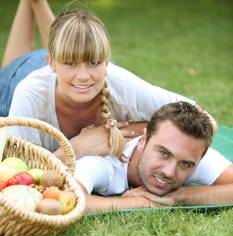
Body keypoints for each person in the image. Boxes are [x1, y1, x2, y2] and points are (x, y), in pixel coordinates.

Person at [1, 0, 217, 163]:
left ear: (107, 63)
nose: (84, 75)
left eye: (95, 62)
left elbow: (206, 121)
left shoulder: (121, 84)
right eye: (70, 63)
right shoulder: (28, 94)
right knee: (12, 71)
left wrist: (110, 132)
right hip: (21, 76)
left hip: (61, 70)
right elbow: (23, 175)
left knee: (71, 48)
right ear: (51, 63)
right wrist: (77, 147)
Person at [73, 102, 233, 213]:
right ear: (143, 140)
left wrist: (177, 197)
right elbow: (69, 200)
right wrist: (139, 203)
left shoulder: (191, 152)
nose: (169, 172)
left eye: (185, 164)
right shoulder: (102, 160)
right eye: (164, 154)